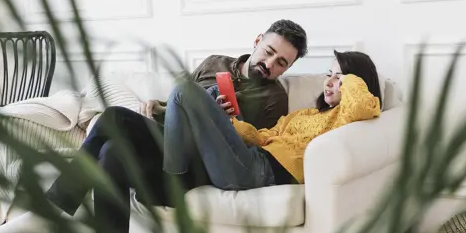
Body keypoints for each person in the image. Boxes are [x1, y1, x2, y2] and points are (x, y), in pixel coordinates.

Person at [0, 20, 308, 233]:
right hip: (170, 141)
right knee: (112, 134)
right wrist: (157, 107)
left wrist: (221, 119)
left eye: (281, 63)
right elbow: (174, 110)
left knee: (121, 134)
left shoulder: (273, 98)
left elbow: (247, 148)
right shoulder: (213, 63)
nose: (270, 64)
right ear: (258, 40)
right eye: (268, 52)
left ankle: (50, 214)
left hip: (199, 163)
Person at [162, 50, 381, 192]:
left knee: (184, 91)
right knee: (215, 91)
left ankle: (174, 182)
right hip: (252, 158)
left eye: (340, 78)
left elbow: (363, 105)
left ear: (355, 82)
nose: (330, 82)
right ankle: (188, 164)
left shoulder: (346, 118)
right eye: (329, 74)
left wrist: (350, 79)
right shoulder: (304, 115)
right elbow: (262, 138)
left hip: (259, 174)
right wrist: (229, 122)